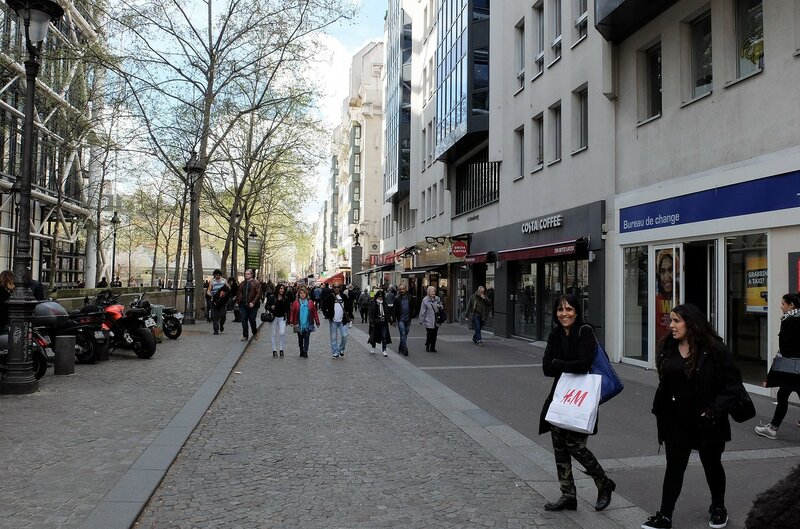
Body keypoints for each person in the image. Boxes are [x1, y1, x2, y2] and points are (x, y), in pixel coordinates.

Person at [642, 303, 744, 529]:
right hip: (676, 420)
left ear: (691, 323)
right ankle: (665, 516)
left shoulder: (714, 349)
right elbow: (666, 383)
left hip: (708, 420)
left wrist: (713, 409)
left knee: (712, 465)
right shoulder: (667, 346)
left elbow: (733, 385)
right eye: (671, 320)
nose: (671, 325)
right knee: (674, 467)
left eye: (676, 321)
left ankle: (718, 507)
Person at [538, 293, 615, 513]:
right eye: (560, 309)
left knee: (576, 446)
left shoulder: (585, 331)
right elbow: (546, 368)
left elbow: (583, 364)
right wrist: (564, 364)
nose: (564, 314)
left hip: (581, 398)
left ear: (577, 311)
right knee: (559, 447)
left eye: (569, 309)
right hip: (560, 397)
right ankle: (568, 495)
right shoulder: (555, 335)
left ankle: (603, 482)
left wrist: (559, 363)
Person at [754, 292, 800, 440]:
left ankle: (772, 428)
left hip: (792, 366)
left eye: (783, 304)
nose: (781, 306)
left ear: (791, 305)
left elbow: (785, 348)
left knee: (782, 395)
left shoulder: (788, 321)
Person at [320, 283, 352, 358]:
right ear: (333, 288)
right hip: (333, 321)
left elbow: (349, 306)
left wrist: (350, 315)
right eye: (335, 287)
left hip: (342, 320)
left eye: (338, 287)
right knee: (333, 337)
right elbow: (323, 306)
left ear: (340, 288)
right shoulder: (330, 297)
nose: (336, 288)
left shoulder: (344, 296)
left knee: (345, 335)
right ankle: (335, 352)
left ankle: (341, 348)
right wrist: (327, 315)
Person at [288, 285, 319, 358]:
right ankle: (301, 350)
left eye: (304, 293)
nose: (302, 294)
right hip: (299, 324)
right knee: (300, 338)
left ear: (306, 294)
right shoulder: (295, 303)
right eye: (301, 293)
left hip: (308, 324)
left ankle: (305, 351)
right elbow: (292, 312)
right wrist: (291, 321)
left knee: (307, 338)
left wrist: (317, 321)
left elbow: (314, 312)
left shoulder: (310, 302)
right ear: (299, 294)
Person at [655, 250, 678, 343]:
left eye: (671, 270)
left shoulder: (681, 295)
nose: (666, 277)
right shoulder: (657, 300)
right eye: (662, 271)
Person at [235, 269, 261, 341]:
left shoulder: (256, 283)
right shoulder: (243, 283)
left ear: (252, 274)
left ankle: (255, 333)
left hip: (252, 305)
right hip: (243, 305)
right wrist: (238, 301)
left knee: (252, 320)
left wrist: (253, 302)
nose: (246, 275)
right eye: (246, 274)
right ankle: (245, 335)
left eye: (248, 274)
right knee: (244, 320)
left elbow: (258, 294)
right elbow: (239, 292)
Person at [418, 285, 444, 352]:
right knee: (429, 333)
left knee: (434, 334)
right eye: (432, 291)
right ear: (428, 292)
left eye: (434, 291)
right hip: (428, 319)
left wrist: (439, 306)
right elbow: (422, 311)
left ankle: (432, 347)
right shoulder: (425, 300)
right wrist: (421, 320)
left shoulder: (437, 298)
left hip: (436, 319)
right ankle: (427, 345)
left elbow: (442, 306)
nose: (433, 293)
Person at [367, 289, 392, 357]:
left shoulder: (384, 303)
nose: (380, 298)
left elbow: (387, 313)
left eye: (381, 297)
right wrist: (371, 322)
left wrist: (390, 321)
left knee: (384, 336)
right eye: (379, 297)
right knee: (374, 335)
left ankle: (384, 350)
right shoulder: (373, 303)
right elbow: (371, 313)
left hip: (384, 322)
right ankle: (373, 347)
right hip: (375, 322)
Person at [267, 283, 289, 357]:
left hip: (282, 318)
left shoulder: (285, 298)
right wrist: (271, 307)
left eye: (283, 289)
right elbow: (266, 306)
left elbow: (288, 309)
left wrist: (288, 319)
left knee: (282, 333)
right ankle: (274, 350)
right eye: (281, 288)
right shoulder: (271, 297)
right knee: (273, 334)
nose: (282, 290)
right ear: (278, 289)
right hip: (273, 317)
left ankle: (281, 349)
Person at [393, 283, 415, 356]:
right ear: (399, 290)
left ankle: (400, 347)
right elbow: (394, 310)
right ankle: (405, 349)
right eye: (400, 289)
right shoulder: (397, 298)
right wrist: (394, 320)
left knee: (405, 335)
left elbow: (414, 307)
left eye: (403, 289)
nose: (402, 290)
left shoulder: (410, 297)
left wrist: (413, 315)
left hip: (408, 319)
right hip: (401, 320)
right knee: (403, 334)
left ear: (406, 289)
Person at [206, 269, 228, 335]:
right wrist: (210, 294)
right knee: (214, 316)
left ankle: (221, 324)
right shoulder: (212, 281)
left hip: (222, 301)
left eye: (218, 275)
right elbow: (209, 290)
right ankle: (216, 330)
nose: (217, 276)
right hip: (214, 300)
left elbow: (228, 288)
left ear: (220, 275)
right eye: (215, 275)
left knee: (223, 315)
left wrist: (226, 293)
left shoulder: (224, 281)